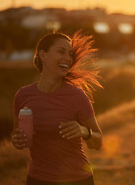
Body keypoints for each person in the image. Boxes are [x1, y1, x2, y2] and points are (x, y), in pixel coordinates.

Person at [11, 31, 103, 185]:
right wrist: (17, 140)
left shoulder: (77, 97)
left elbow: (98, 142)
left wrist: (83, 131)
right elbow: (17, 136)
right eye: (61, 52)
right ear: (43, 55)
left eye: (70, 54)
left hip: (77, 179)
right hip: (37, 178)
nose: (67, 58)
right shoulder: (23, 96)